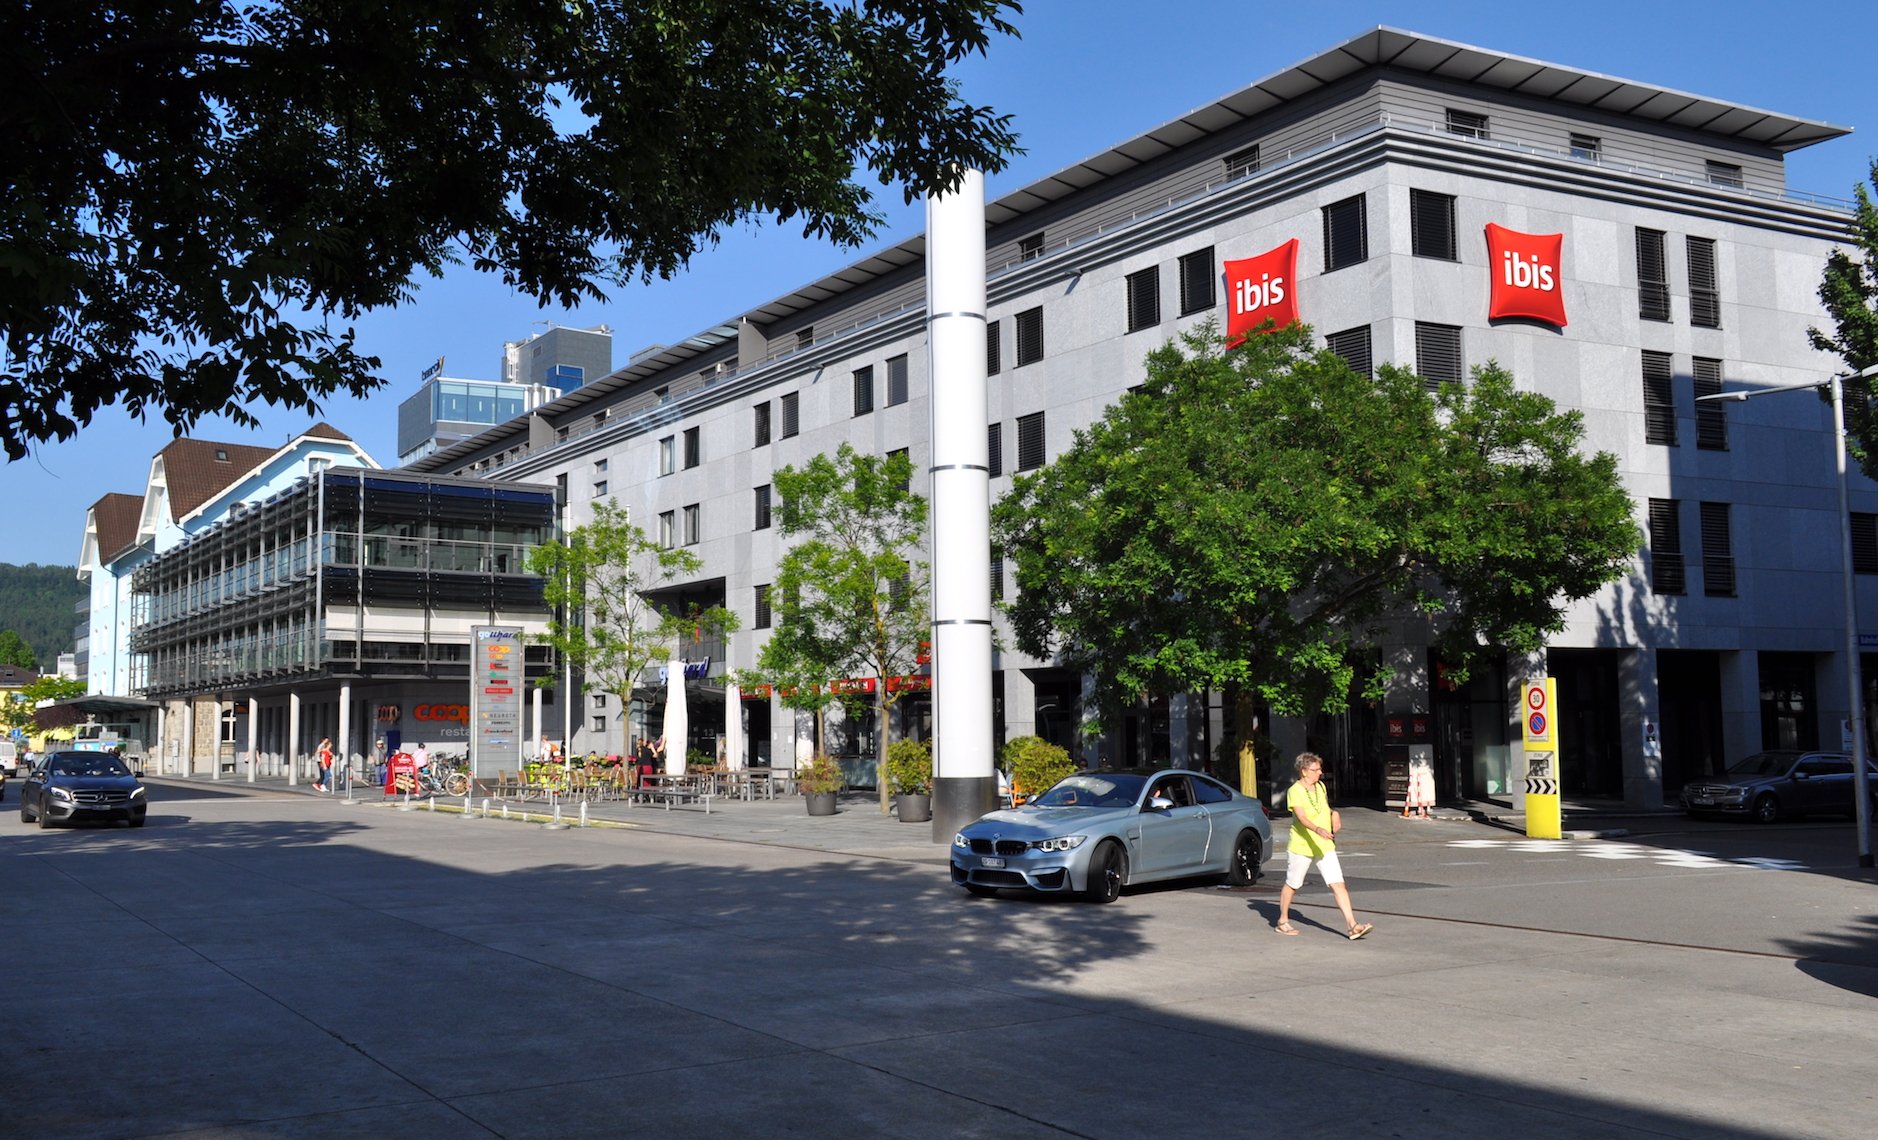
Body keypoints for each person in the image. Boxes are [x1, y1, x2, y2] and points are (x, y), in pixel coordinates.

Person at [1275, 752, 1372, 940]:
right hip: (1302, 846)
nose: (1320, 772)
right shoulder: (1295, 790)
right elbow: (1301, 817)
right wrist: (1318, 829)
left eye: (1320, 768)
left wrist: (1334, 814)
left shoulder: (1320, 787)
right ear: (1304, 771)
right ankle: (1282, 920)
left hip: (1324, 845)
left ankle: (1353, 925)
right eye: (1316, 769)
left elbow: (1325, 808)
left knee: (1338, 884)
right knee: (1293, 884)